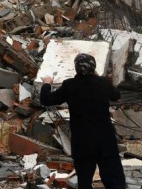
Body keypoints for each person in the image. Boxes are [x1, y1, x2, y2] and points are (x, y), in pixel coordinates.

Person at [39, 54, 126, 189]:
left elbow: (46, 100)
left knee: (84, 180)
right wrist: (97, 77)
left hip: (83, 142)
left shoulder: (70, 85)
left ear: (76, 68)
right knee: (114, 179)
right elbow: (116, 95)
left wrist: (46, 84)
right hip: (105, 140)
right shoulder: (103, 83)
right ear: (94, 67)